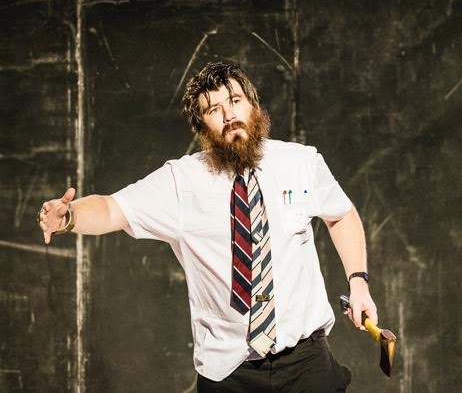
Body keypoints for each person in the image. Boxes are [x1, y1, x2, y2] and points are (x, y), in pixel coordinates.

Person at [37, 62, 377, 392]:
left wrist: (358, 282)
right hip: (231, 372)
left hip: (306, 362)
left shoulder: (300, 162)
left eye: (235, 101)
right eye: (214, 110)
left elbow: (341, 215)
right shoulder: (181, 183)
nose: (229, 115)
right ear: (202, 127)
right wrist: (69, 217)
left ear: (253, 106)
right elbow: (112, 209)